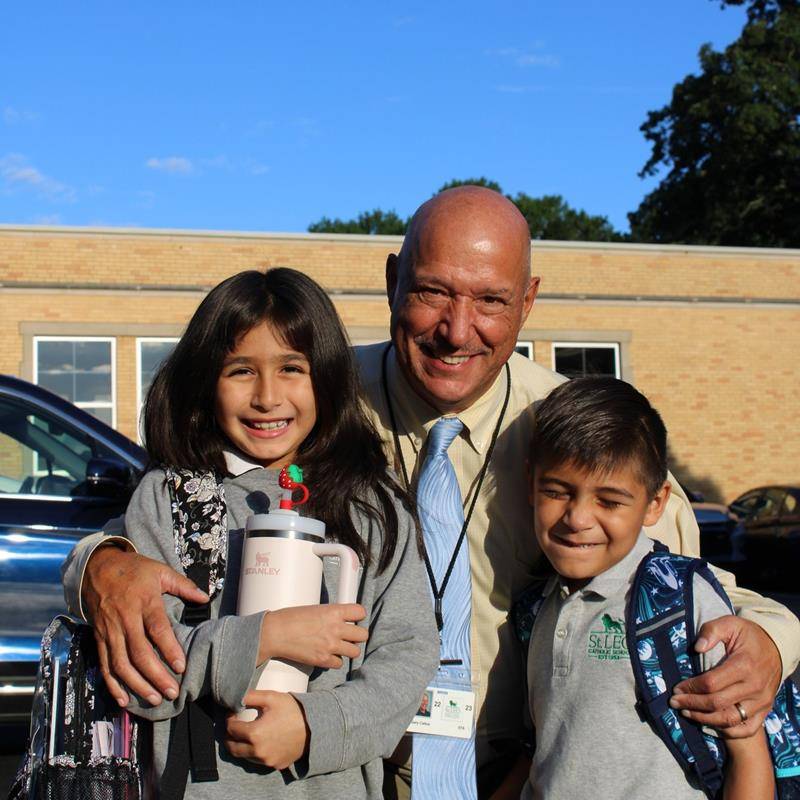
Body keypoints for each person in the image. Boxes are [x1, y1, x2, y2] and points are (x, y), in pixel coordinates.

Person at [63, 187, 800, 798]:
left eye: (491, 300)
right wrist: (100, 563)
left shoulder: (577, 440)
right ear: (392, 281)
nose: (457, 330)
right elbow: (178, 511)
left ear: (529, 301)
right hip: (352, 770)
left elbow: (693, 589)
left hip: (522, 771)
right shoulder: (315, 398)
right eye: (432, 292)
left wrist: (771, 643)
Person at [80, 267, 439, 800]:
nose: (268, 397)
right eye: (241, 371)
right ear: (205, 381)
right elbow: (142, 679)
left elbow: (408, 654)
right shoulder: (171, 498)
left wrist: (314, 726)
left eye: (292, 368)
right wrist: (262, 638)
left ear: (327, 377)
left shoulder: (372, 501)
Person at [499, 376, 774, 800]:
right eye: (556, 491)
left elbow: (749, 756)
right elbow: (543, 750)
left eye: (609, 501)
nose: (577, 518)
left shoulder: (681, 600)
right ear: (530, 483)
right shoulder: (534, 609)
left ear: (656, 503)